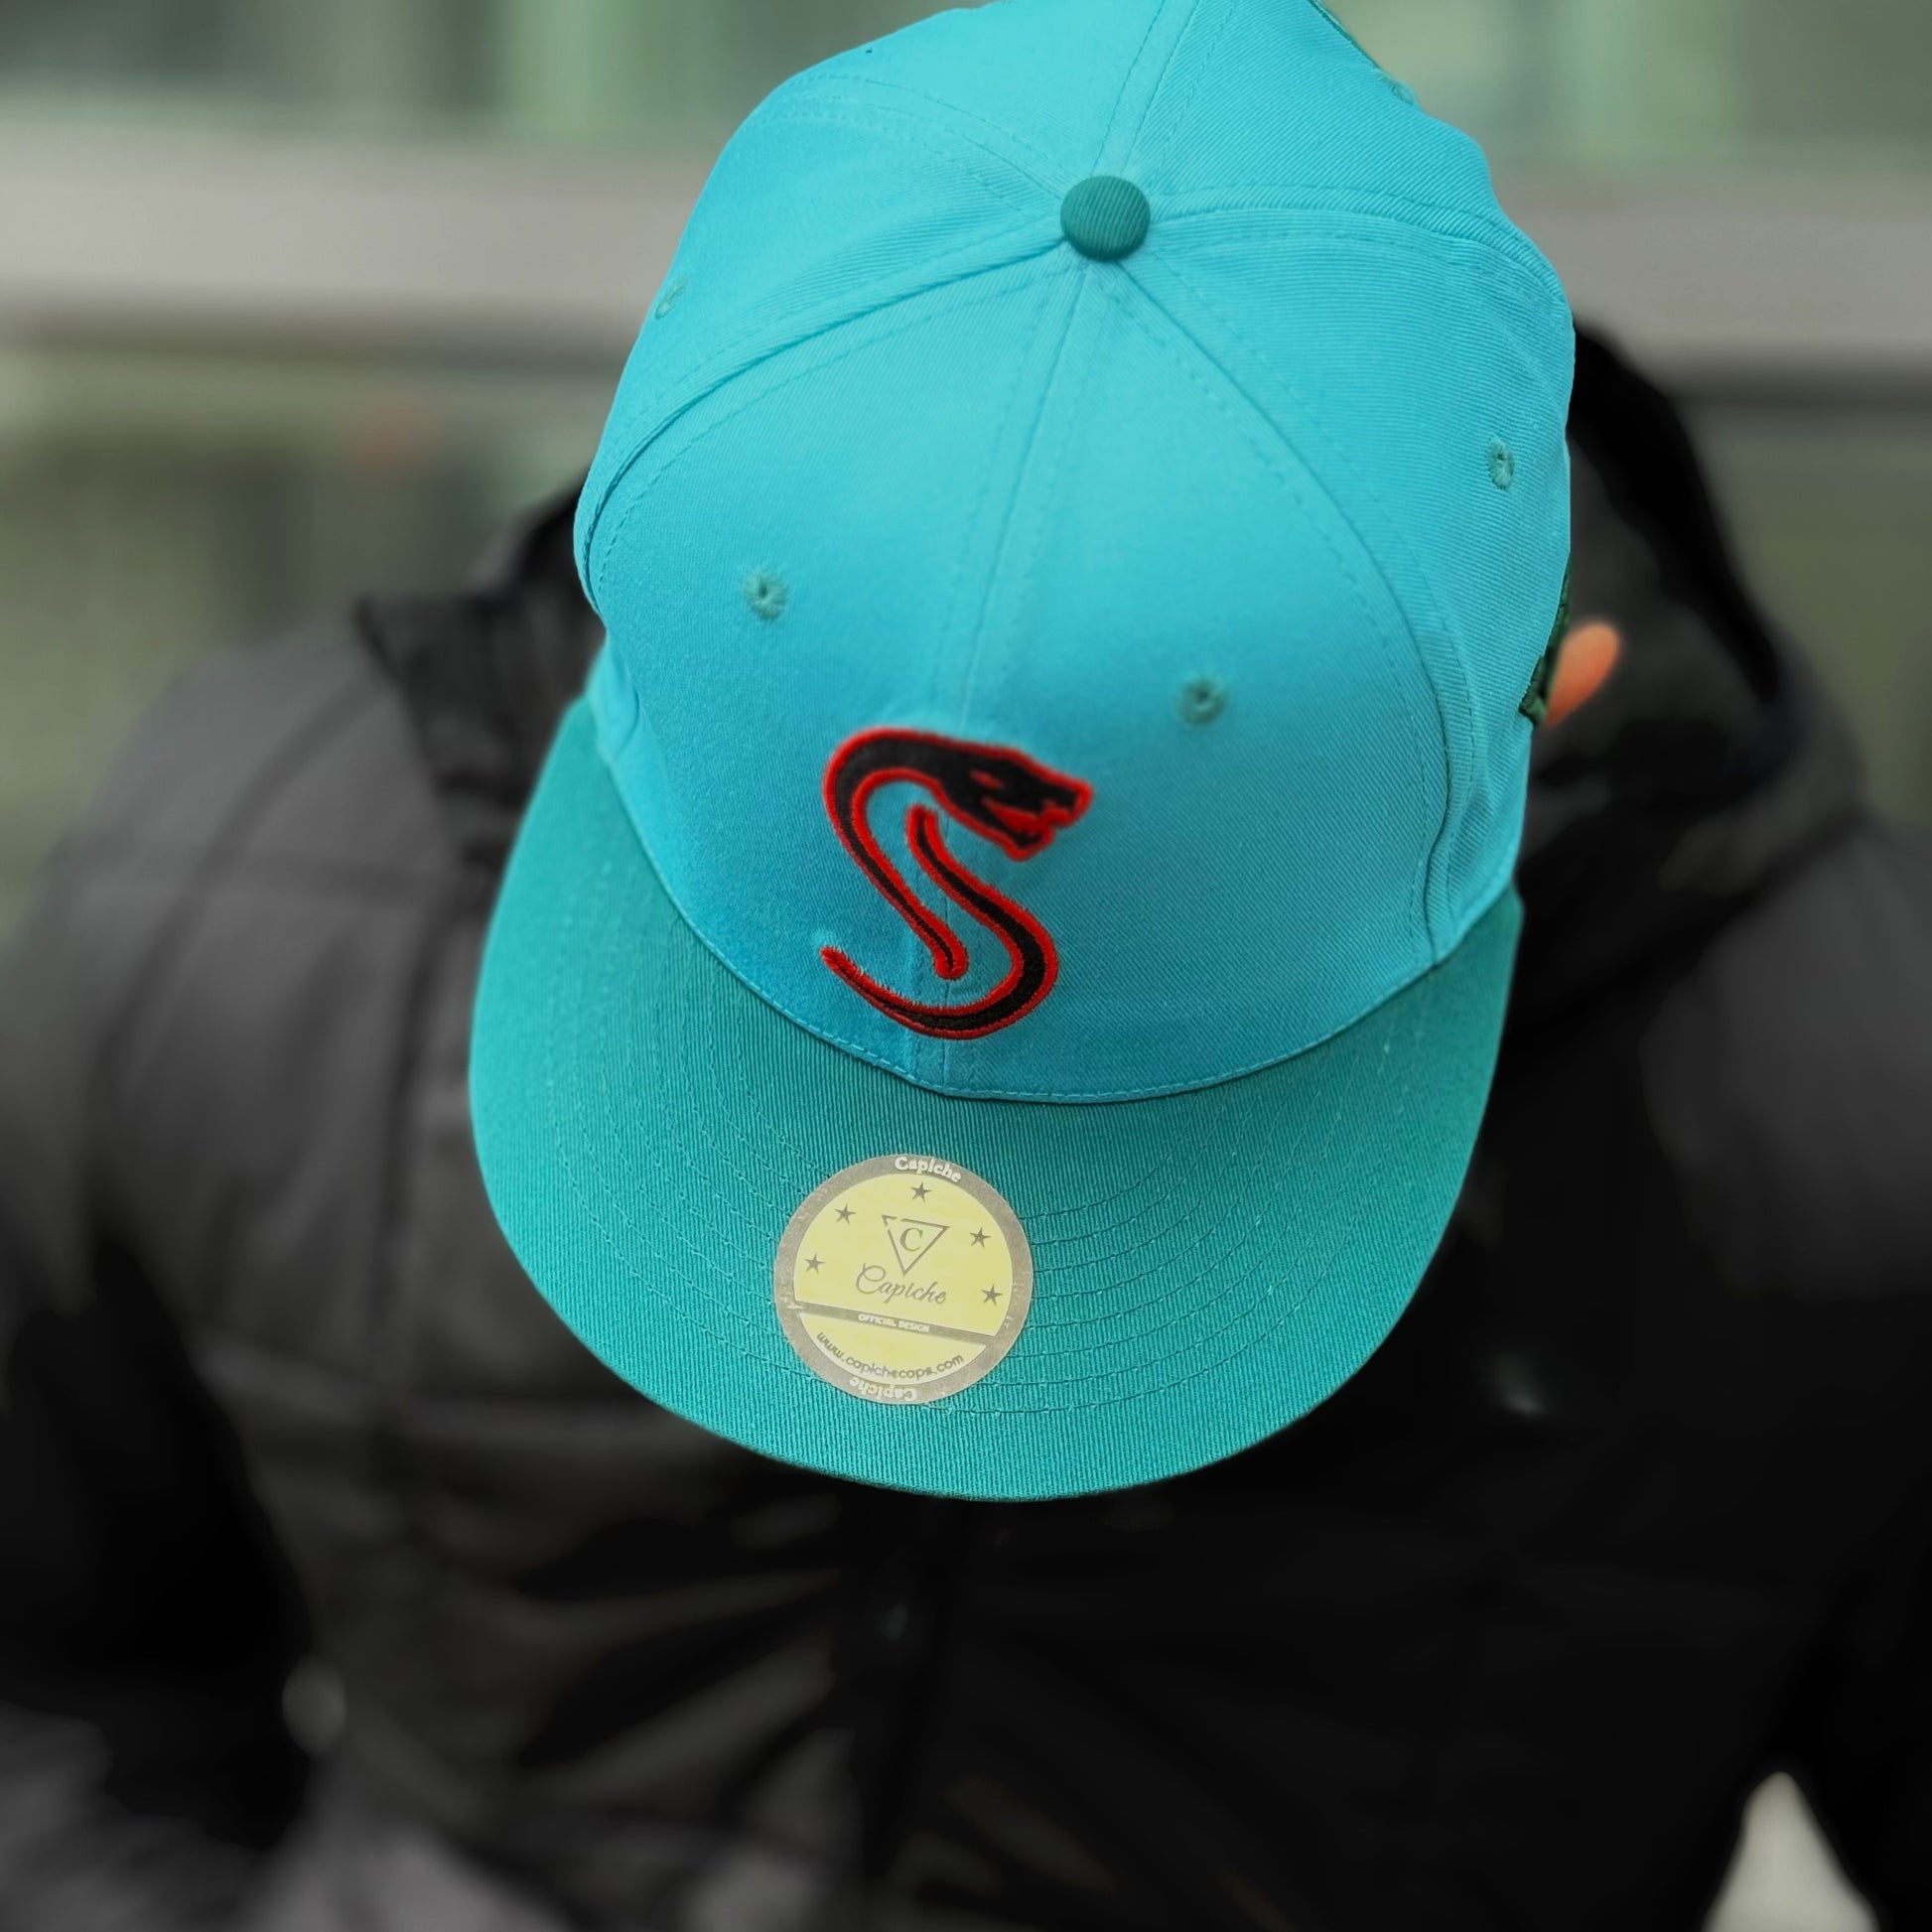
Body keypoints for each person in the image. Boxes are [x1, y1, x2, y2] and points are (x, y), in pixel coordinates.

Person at [3, 8, 1930, 1932]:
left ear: (1562, 694)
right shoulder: (246, 887)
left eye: (1167, 1113)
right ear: (630, 547)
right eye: (761, 1037)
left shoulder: (1852, 1115)